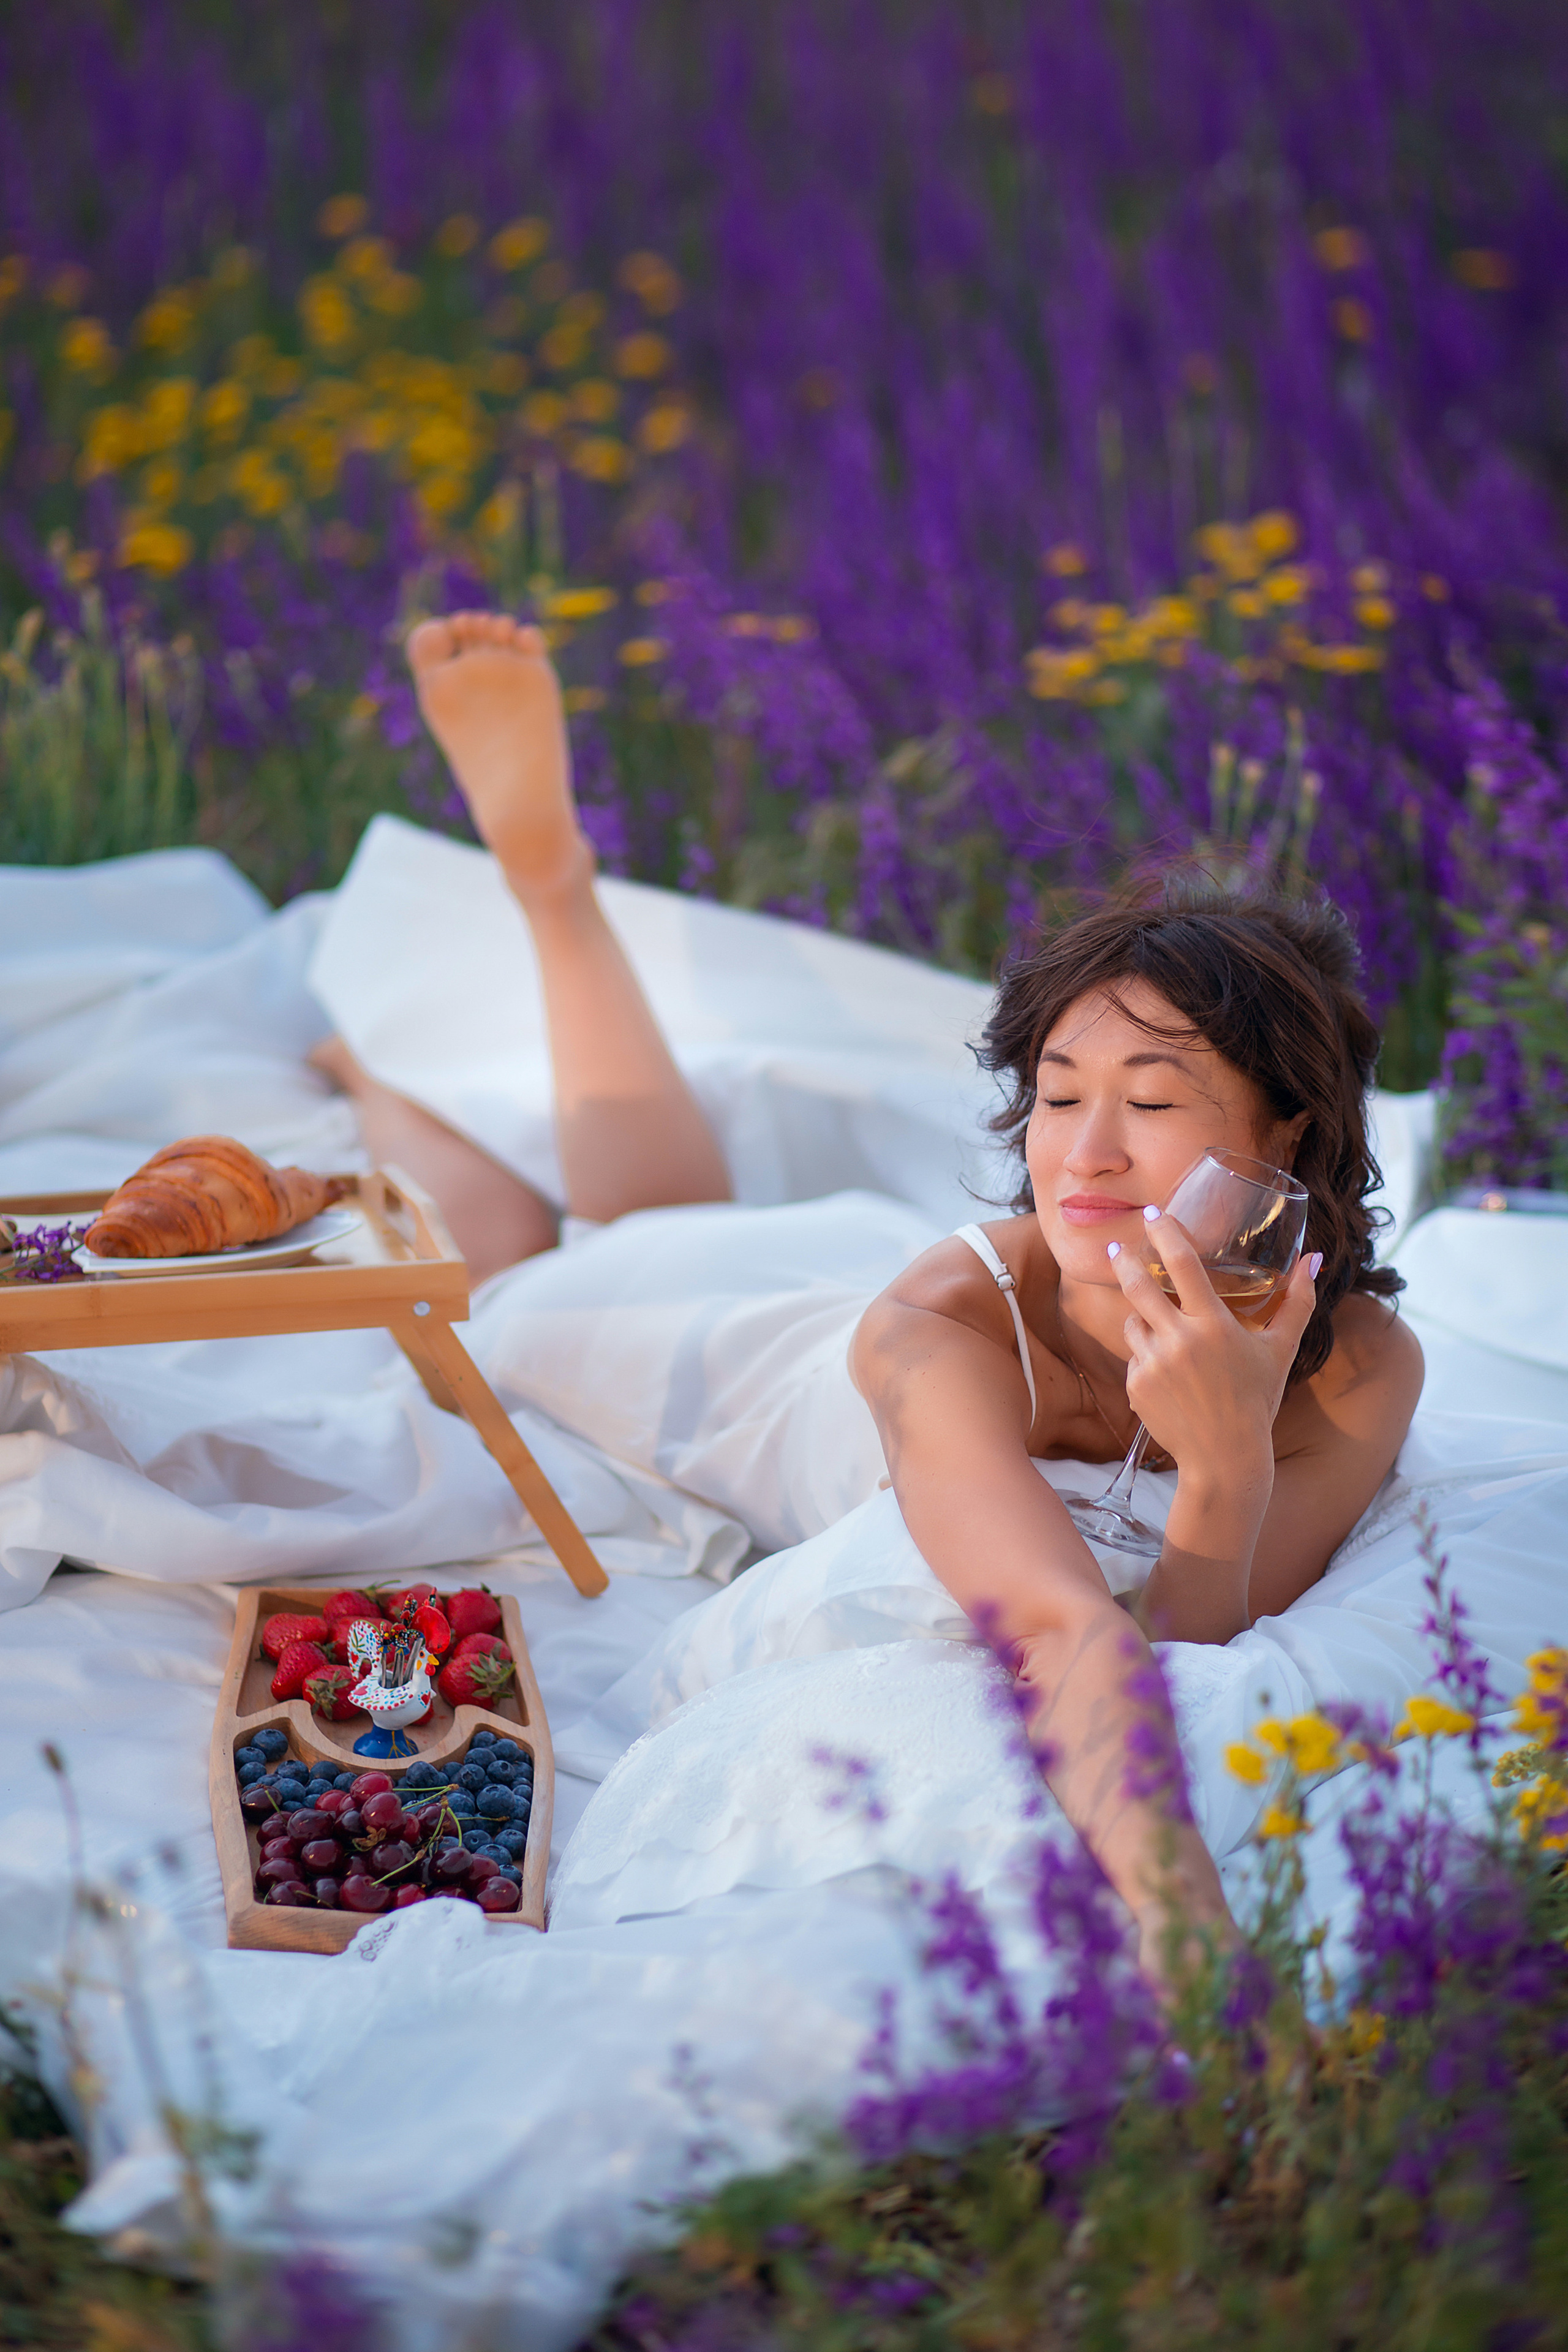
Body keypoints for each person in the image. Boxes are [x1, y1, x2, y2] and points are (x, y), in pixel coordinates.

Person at [317, 610, 1424, 1980]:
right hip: (735, 1354)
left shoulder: (1356, 1364)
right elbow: (1061, 1630)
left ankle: (542, 913)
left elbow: (1195, 1637)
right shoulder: (935, 1332)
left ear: (1284, 1139)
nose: (1079, 1154)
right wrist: (1187, 1937)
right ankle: (474, 964)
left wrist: (1227, 1456)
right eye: (1057, 1098)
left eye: (1147, 1103)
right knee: (537, 1262)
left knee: (673, 1210)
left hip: (811, 1259)